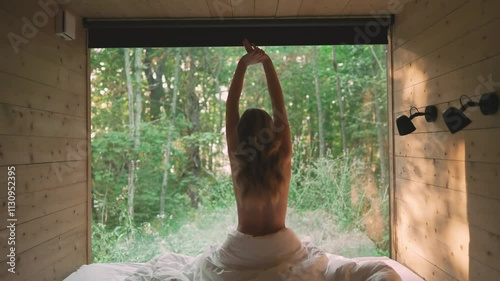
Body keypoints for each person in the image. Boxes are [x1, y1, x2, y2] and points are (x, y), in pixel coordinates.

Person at [225, 38, 292, 237]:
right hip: (280, 247)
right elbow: (279, 105)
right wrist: (266, 61)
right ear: (271, 131)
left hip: (243, 247)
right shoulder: (283, 156)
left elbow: (231, 103)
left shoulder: (237, 156)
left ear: (240, 133)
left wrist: (242, 64)